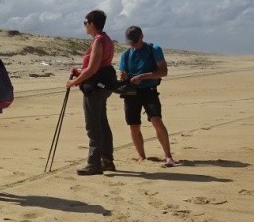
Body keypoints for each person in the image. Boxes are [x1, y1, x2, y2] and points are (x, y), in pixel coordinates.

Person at [66, 10, 116, 175]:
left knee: (93, 125)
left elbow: (93, 69)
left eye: (85, 23)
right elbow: (97, 66)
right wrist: (80, 72)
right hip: (103, 85)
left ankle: (94, 163)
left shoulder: (98, 41)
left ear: (92, 24)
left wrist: (74, 81)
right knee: (102, 122)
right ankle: (106, 160)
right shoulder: (106, 39)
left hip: (95, 88)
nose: (84, 26)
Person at [118, 26, 177, 167]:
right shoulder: (125, 54)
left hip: (149, 90)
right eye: (130, 42)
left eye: (135, 41)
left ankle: (168, 156)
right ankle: (141, 155)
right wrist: (123, 76)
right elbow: (122, 75)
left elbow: (163, 71)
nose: (132, 44)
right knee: (134, 125)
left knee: (156, 120)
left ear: (142, 37)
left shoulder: (154, 49)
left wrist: (142, 76)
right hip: (131, 93)